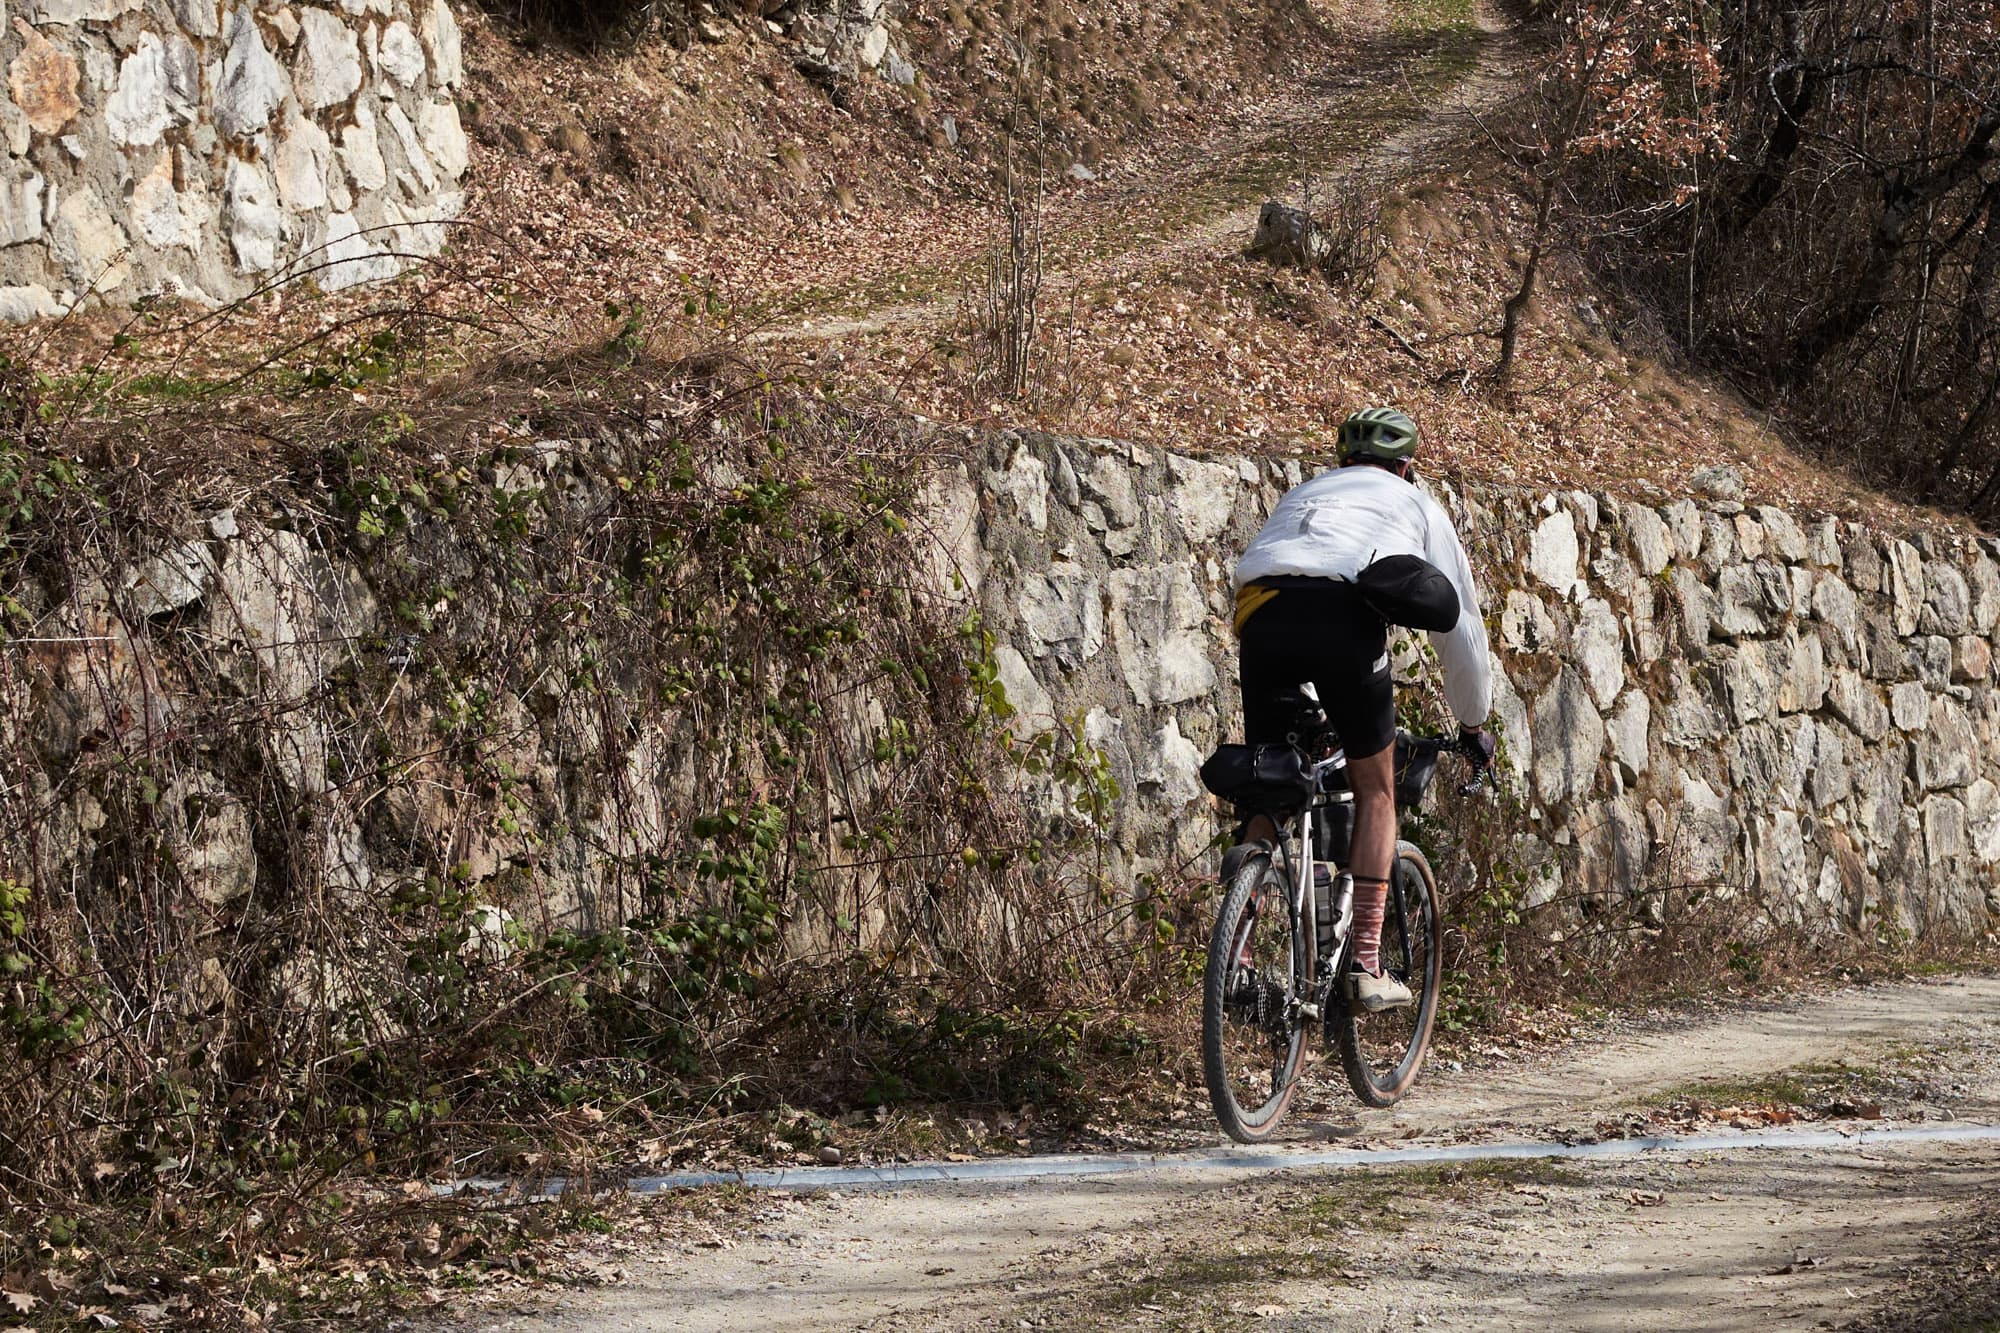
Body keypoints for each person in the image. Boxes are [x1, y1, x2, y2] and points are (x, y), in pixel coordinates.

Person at [1230, 407, 1496, 1011]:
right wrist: (1474, 723)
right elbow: (1460, 630)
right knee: (1376, 788)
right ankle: (1366, 964)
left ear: (1343, 460)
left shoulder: (1303, 494)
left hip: (1261, 614)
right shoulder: (1419, 507)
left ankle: (1236, 958)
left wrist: (1315, 705)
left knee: (1270, 790)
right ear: (1407, 467)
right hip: (1342, 621)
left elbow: (1290, 583)